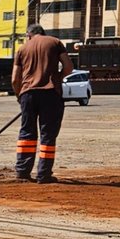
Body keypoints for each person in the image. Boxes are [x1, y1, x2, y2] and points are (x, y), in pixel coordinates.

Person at [10, 23, 72, 183]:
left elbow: (15, 78)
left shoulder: (22, 48)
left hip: (27, 94)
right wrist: (57, 78)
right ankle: (44, 174)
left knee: (26, 133)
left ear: (29, 35)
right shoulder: (55, 42)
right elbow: (68, 68)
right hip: (50, 93)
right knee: (48, 135)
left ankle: (22, 171)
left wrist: (19, 95)